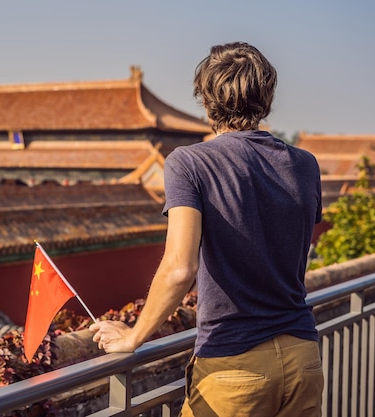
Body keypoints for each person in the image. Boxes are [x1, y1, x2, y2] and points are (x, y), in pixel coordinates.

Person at [89, 41, 324, 416]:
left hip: (235, 365)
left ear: (206, 99)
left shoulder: (190, 163)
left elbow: (180, 267)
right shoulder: (305, 164)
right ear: (267, 95)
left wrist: (133, 337)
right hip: (302, 354)